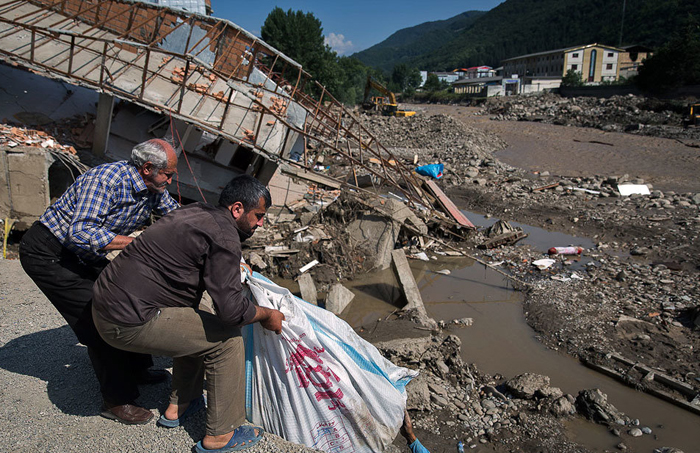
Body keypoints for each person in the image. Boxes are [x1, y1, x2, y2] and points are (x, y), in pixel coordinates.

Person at [92, 175, 285, 452]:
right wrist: (267, 314)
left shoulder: (195, 211)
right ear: (238, 209)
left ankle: (179, 405)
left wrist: (235, 265)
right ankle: (221, 435)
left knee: (202, 316)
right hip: (127, 321)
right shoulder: (224, 235)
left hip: (106, 305)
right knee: (227, 339)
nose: (261, 223)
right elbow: (231, 312)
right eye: (259, 216)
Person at [19, 139, 179, 424]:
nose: (171, 179)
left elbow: (177, 217)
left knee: (130, 298)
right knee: (101, 317)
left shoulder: (154, 189)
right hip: (50, 252)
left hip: (84, 255)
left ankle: (137, 368)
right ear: (147, 168)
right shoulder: (106, 180)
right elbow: (80, 232)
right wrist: (135, 244)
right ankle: (116, 400)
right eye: (168, 174)